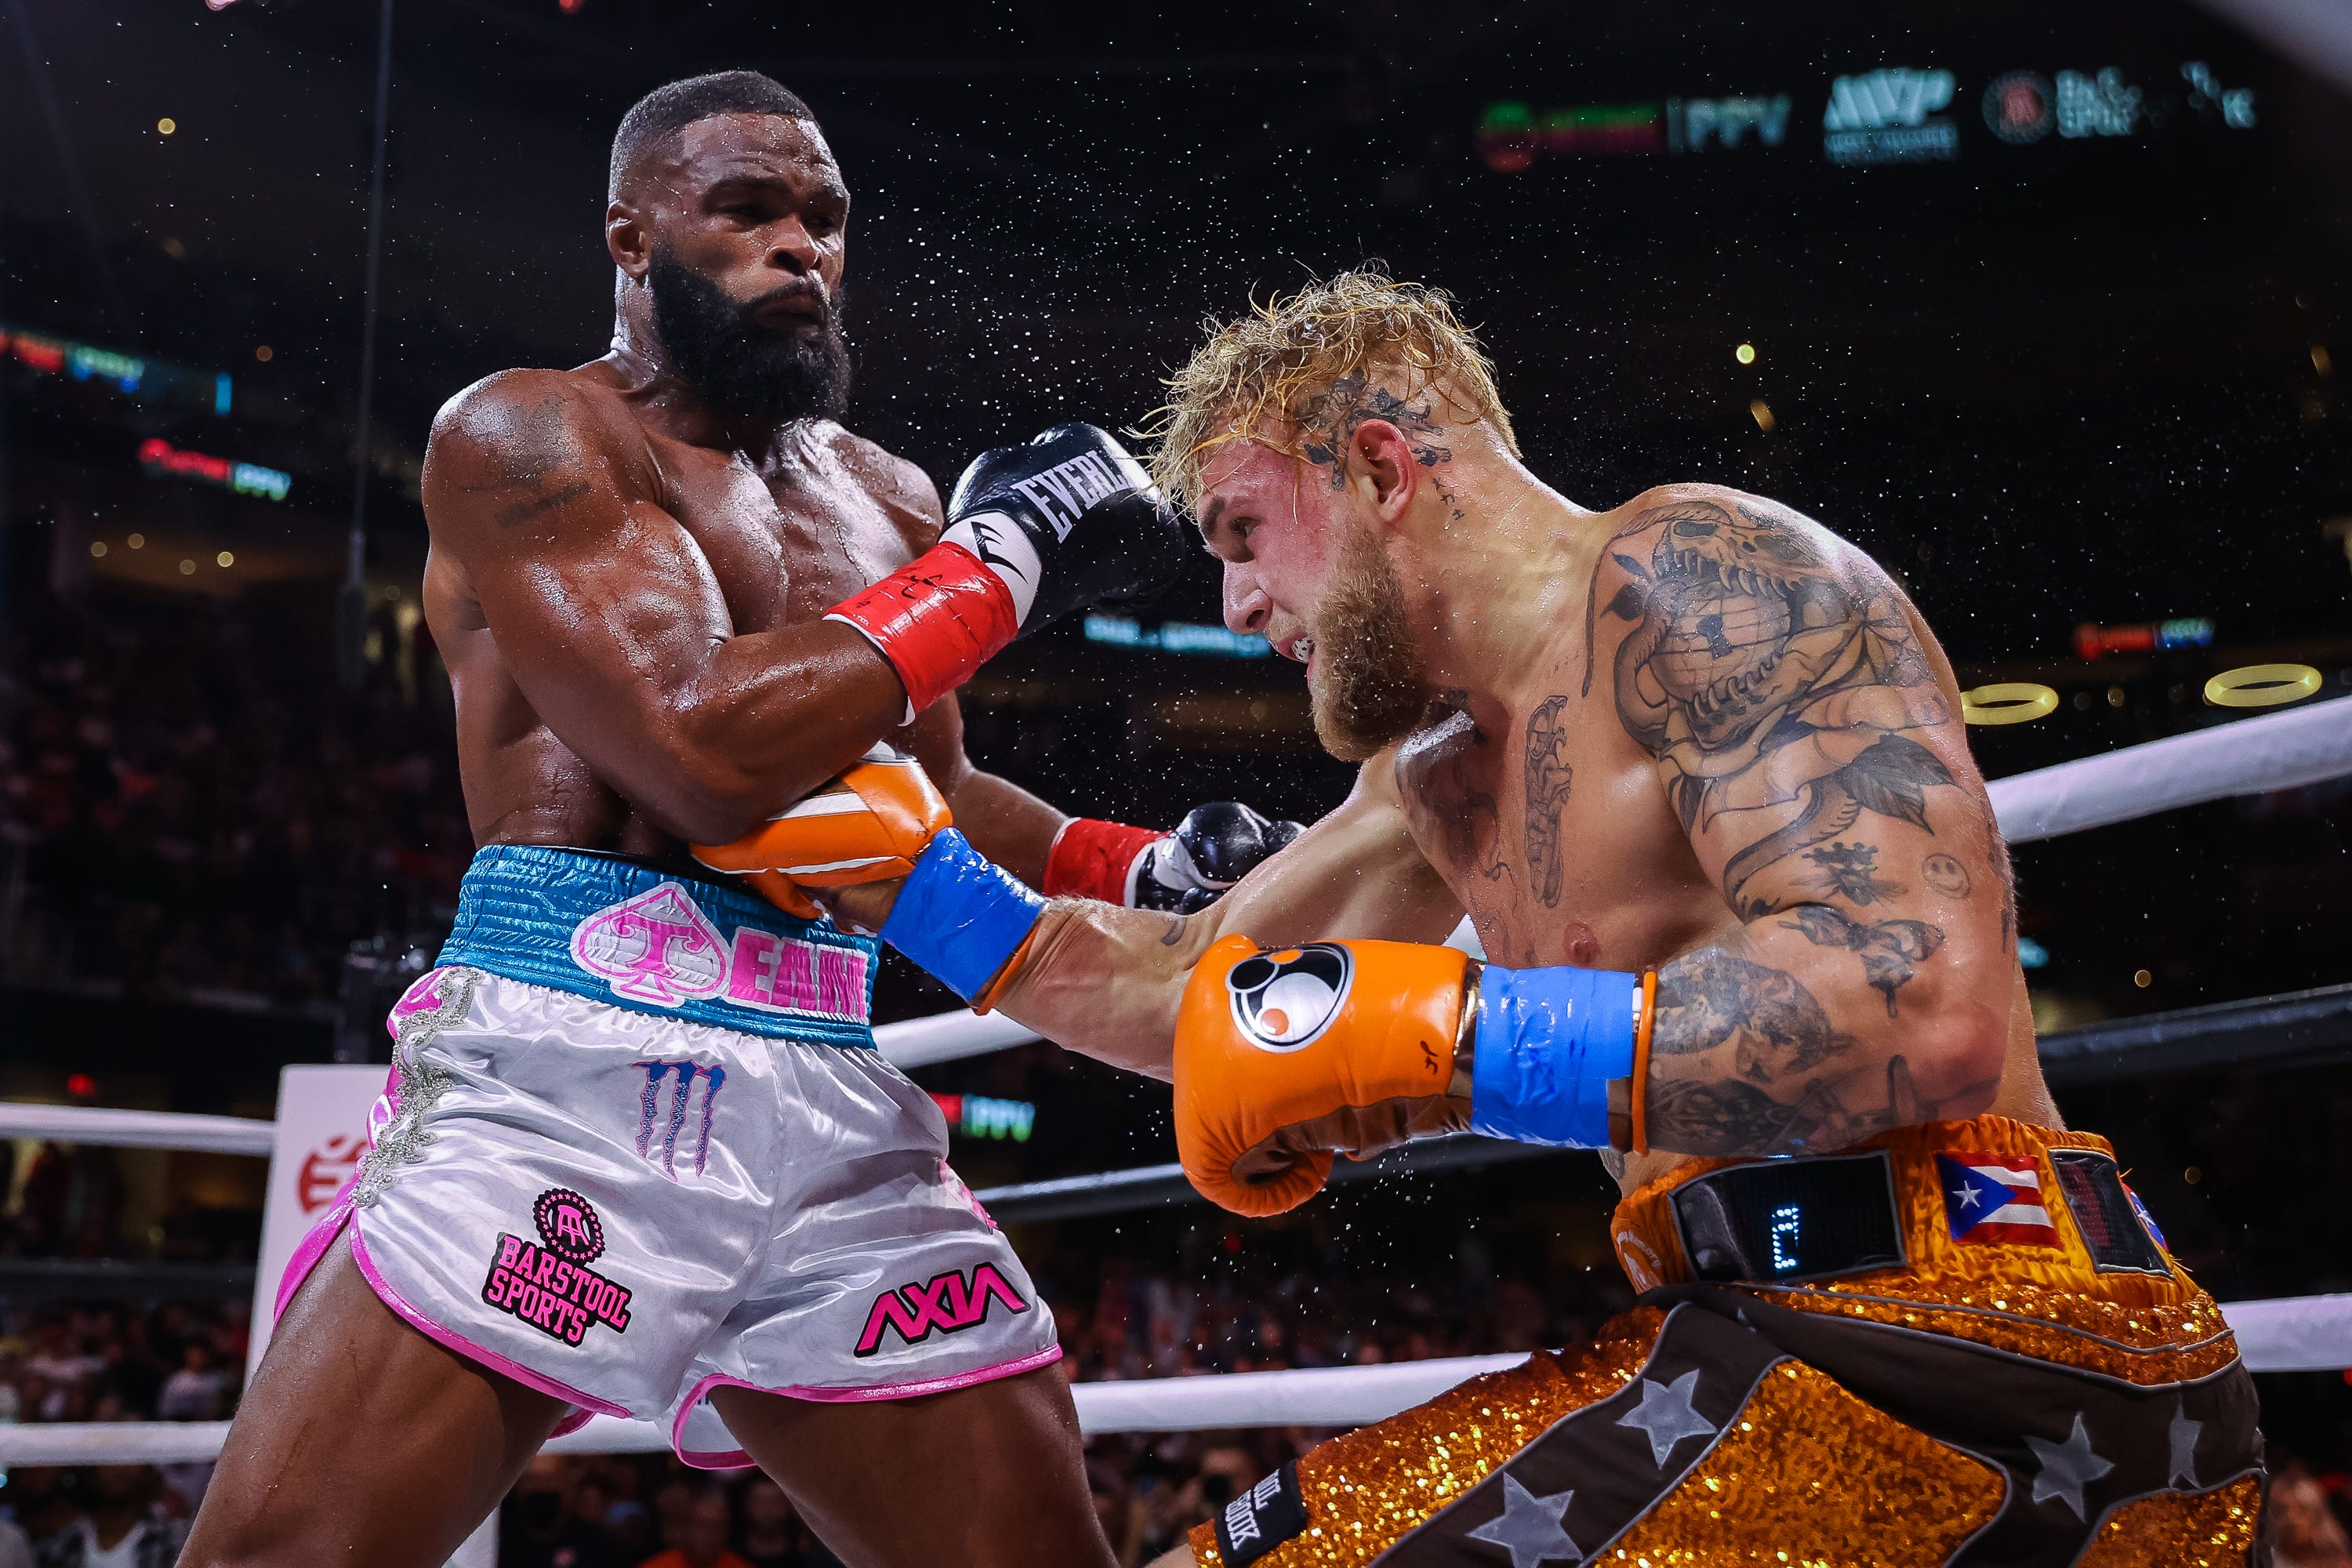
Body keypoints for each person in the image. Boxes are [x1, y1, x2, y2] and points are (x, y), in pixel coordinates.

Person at [813, 269, 2268, 1565]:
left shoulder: (1699, 579)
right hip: (1742, 1343)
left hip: (1983, 1341)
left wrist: (1455, 1042)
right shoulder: (1436, 772)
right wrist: (902, 880)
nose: (1239, 599)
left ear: (1380, 465)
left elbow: (1926, 1007)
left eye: (1246, 530)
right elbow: (1197, 982)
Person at [180, 70, 1296, 1568]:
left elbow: (939, 792)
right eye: (750, 211)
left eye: (825, 218)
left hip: (832, 1088)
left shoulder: (888, 498)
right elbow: (696, 750)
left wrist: (1134, 864)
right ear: (632, 239)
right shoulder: (525, 437)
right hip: (570, 1066)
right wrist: (1007, 557)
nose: (801, 249)